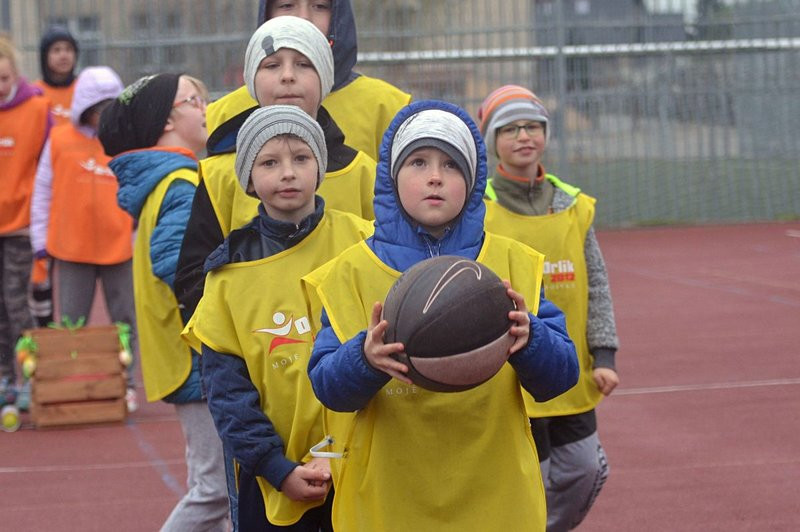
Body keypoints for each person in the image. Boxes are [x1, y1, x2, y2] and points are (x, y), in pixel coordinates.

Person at [303, 100, 580, 531]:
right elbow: (327, 389)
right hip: (389, 498)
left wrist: (533, 341)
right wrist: (365, 358)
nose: (435, 176)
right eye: (418, 162)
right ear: (391, 177)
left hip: (495, 494)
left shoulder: (514, 264)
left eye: (451, 165)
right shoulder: (350, 272)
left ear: (472, 181)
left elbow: (561, 378)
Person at [172, 18, 377, 527]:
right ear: (248, 177)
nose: (287, 172)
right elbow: (226, 380)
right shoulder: (229, 265)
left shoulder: (362, 220)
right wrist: (271, 462)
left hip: (362, 445)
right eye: (272, 65)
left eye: (303, 64)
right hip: (272, 448)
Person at [478, 85, 620, 532]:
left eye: (533, 126)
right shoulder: (480, 209)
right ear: (493, 140)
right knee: (528, 481)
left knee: (584, 470)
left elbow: (596, 282)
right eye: (510, 129)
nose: (524, 136)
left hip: (570, 370)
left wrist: (604, 354)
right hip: (511, 375)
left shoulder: (574, 206)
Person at [98, 73, 230, 531]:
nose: (206, 108)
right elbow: (181, 269)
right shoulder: (180, 183)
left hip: (183, 356)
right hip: (195, 356)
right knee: (215, 489)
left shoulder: (169, 181)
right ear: (167, 120)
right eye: (195, 100)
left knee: (214, 486)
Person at [29, 66, 139, 412]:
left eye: (110, 106)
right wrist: (39, 238)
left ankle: (125, 381)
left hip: (118, 246)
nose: (103, 115)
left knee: (125, 319)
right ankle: (72, 380)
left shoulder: (127, 139)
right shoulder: (59, 139)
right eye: (97, 108)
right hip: (71, 247)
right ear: (84, 108)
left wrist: (138, 230)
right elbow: (42, 190)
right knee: (72, 321)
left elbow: (140, 185)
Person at [257, 0, 411, 160]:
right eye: (287, 5)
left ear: (339, 14)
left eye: (320, 6)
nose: (304, 18)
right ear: (267, 14)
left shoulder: (389, 108)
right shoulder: (238, 109)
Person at [0, 35, 50, 400]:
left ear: (16, 74)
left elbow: (49, 169)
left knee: (18, 303)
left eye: (4, 78)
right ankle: (5, 377)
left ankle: (32, 375)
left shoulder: (37, 109)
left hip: (20, 225)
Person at [29, 26, 80, 327]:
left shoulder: (83, 91)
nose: (63, 56)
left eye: (68, 49)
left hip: (78, 184)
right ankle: (45, 326)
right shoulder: (36, 94)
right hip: (46, 187)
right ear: (44, 56)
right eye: (56, 50)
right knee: (41, 263)